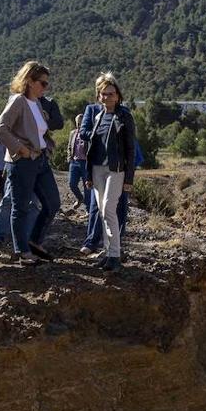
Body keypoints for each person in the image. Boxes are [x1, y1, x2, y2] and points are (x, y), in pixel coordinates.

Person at [0, 61, 60, 263]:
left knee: (53, 203)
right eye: (42, 83)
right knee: (20, 207)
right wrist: (19, 149)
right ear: (30, 81)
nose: (45, 87)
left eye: (47, 83)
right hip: (22, 161)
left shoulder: (38, 103)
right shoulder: (18, 101)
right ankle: (22, 251)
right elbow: (0, 129)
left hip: (40, 160)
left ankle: (33, 241)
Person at [78, 72, 136, 272]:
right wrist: (88, 176)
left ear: (118, 95)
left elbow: (131, 149)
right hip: (96, 168)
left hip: (116, 169)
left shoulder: (125, 115)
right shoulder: (97, 115)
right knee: (102, 211)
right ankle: (108, 252)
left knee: (108, 208)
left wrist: (129, 178)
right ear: (98, 96)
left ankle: (115, 255)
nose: (107, 97)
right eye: (103, 94)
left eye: (111, 94)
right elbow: (90, 146)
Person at [66, 113, 88, 212]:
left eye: (81, 123)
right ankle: (80, 198)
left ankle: (88, 210)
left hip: (86, 163)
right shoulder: (73, 133)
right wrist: (69, 158)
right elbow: (69, 146)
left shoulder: (88, 133)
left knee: (87, 186)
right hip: (74, 162)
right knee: (72, 184)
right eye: (78, 123)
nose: (79, 125)